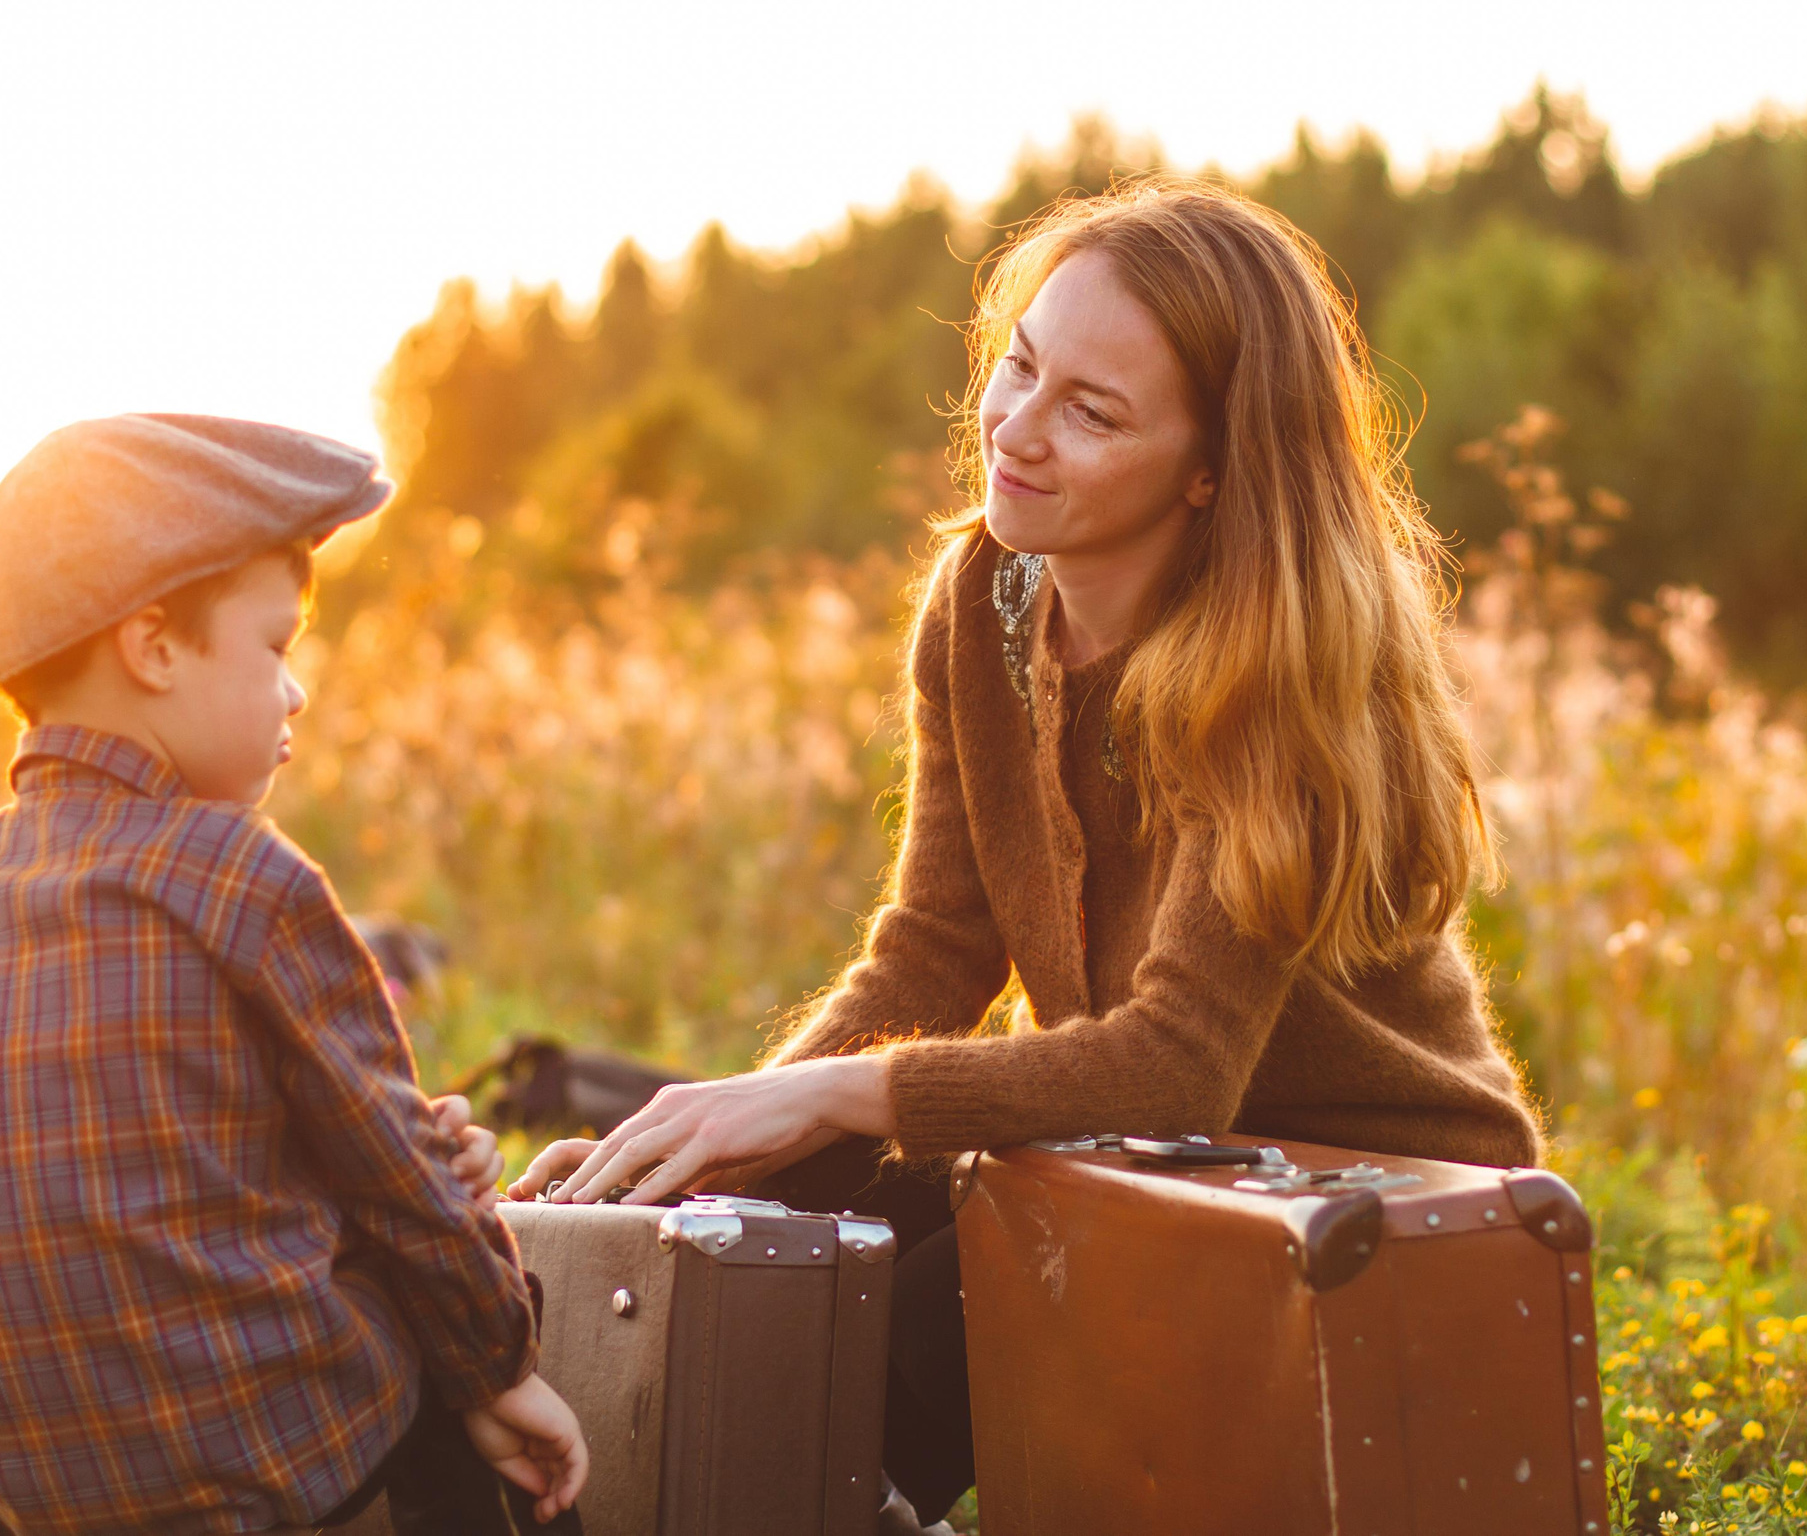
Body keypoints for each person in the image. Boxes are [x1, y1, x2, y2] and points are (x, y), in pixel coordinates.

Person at [517, 181, 1544, 1524]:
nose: (1016, 427)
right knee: (771, 1231)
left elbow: (1180, 1060)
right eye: (1021, 364)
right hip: (1138, 1158)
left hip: (1356, 1174)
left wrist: (833, 1096)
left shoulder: (1272, 677)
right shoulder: (986, 598)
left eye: (1091, 410)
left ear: (1210, 469)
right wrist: (718, 1131)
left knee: (907, 1304)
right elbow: (936, 948)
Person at [0, 415, 589, 1536]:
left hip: (32, 1481)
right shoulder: (239, 877)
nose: (295, 693)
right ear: (154, 646)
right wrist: (501, 1364)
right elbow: (401, 1184)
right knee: (446, 1284)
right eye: (274, 649)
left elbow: (139, 1165)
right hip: (248, 1461)